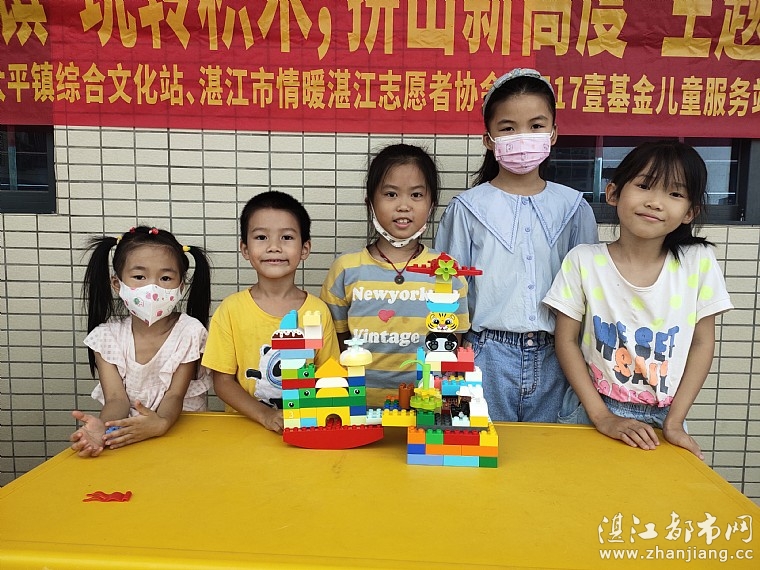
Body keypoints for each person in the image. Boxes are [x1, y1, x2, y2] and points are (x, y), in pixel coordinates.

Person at [544, 141, 733, 458]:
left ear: (690, 212)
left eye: (675, 193)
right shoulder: (583, 260)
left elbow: (702, 343)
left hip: (666, 415)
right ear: (613, 193)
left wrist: (675, 422)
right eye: (644, 186)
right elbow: (565, 340)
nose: (655, 202)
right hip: (591, 410)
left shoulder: (698, 262)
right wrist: (602, 417)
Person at [435, 68, 598, 422]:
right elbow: (448, 289)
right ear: (488, 139)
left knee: (549, 451)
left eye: (536, 126)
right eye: (508, 128)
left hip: (558, 355)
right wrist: (446, 363)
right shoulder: (467, 209)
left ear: (553, 133)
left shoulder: (573, 207)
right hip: (485, 355)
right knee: (478, 446)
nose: (523, 137)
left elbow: (589, 292)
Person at [321, 143, 469, 392]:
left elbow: (454, 342)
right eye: (391, 194)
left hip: (427, 401)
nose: (403, 206)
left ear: (432, 204)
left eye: (416, 195)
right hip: (356, 402)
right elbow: (336, 342)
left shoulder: (447, 271)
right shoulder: (345, 269)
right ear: (370, 203)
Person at [70, 226, 213, 457]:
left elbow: (175, 395)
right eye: (139, 277)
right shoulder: (107, 337)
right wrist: (102, 428)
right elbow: (116, 399)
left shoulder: (190, 332)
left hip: (185, 436)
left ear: (181, 287)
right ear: (117, 284)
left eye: (165, 278)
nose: (153, 288)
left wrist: (161, 423)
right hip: (132, 436)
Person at [202, 190, 339, 433]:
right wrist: (265, 416)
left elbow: (329, 375)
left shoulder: (317, 312)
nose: (274, 247)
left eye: (286, 237)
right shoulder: (231, 310)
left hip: (305, 429)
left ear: (304, 248)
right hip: (244, 431)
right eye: (261, 237)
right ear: (245, 249)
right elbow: (222, 381)